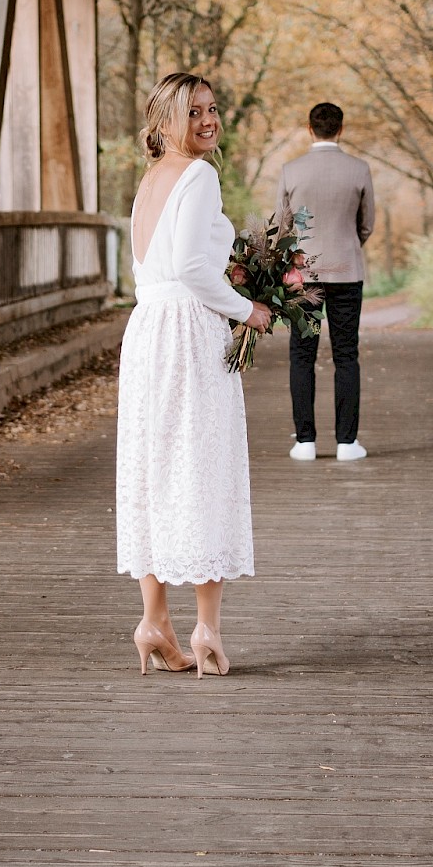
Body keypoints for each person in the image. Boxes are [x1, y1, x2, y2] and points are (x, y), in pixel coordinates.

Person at [116, 73, 271, 678]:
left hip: (148, 329)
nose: (209, 121)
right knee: (203, 466)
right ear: (164, 122)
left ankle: (154, 621)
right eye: (194, 112)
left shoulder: (151, 181)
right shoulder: (200, 176)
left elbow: (152, 267)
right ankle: (206, 630)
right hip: (187, 328)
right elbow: (190, 266)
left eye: (212, 110)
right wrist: (247, 309)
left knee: (154, 468)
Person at [275, 102, 375, 462]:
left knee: (302, 355)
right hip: (347, 272)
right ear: (341, 129)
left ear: (309, 128)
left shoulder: (291, 171)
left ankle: (305, 442)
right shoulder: (359, 170)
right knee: (346, 355)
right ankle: (347, 443)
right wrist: (347, 248)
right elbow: (367, 224)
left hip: (303, 275)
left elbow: (281, 229)